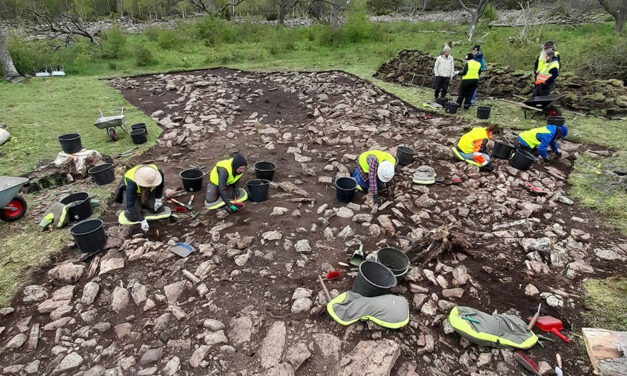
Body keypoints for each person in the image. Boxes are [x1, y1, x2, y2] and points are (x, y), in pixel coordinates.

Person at [117, 164, 166, 232]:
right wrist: (142, 220)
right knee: (132, 216)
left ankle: (143, 203)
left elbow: (160, 187)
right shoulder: (131, 182)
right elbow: (130, 206)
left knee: (158, 210)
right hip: (131, 192)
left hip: (148, 192)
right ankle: (140, 204)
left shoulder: (157, 174)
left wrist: (158, 200)